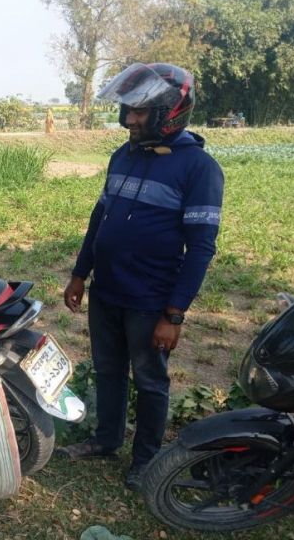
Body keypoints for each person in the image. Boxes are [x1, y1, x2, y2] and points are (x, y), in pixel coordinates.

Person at [59, 63, 224, 491]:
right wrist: (80, 274)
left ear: (172, 111)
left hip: (151, 300)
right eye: (128, 110)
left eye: (140, 112)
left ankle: (146, 459)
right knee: (108, 370)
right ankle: (106, 440)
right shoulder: (123, 155)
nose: (130, 120)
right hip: (107, 291)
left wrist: (175, 314)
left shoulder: (199, 168)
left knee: (151, 381)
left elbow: (201, 248)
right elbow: (101, 217)